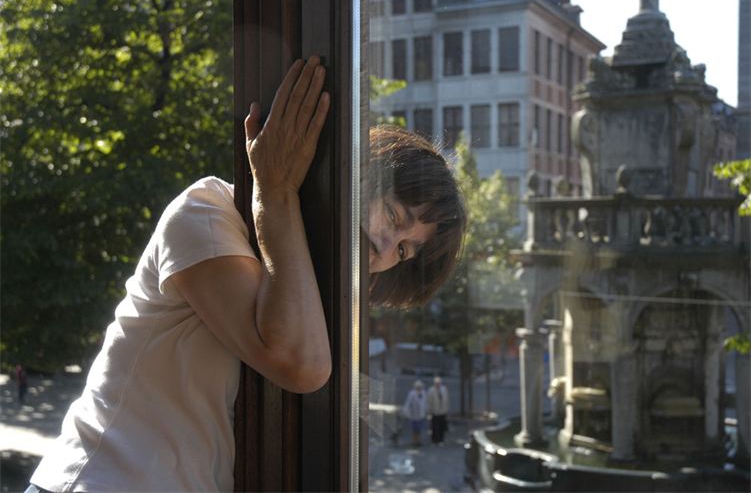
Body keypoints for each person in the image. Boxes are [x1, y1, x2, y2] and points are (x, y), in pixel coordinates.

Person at [27, 57, 466, 492]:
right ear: (355, 177)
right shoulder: (206, 210)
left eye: (405, 249)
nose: (387, 248)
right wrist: (274, 192)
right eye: (393, 214)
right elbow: (301, 365)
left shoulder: (317, 295)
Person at [403, 380, 428, 447]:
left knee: (419, 429)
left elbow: (425, 403)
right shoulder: (412, 393)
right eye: (418, 387)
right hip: (413, 414)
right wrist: (406, 411)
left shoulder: (423, 393)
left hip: (420, 415)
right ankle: (414, 441)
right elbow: (408, 403)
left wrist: (426, 411)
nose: (419, 388)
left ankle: (418, 441)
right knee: (414, 429)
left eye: (420, 387)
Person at [427, 376, 449, 444]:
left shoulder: (444, 389)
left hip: (442, 411)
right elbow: (429, 401)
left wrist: (446, 409)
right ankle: (434, 440)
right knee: (435, 427)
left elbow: (446, 399)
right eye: (436, 383)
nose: (438, 384)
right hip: (435, 412)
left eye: (439, 383)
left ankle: (441, 439)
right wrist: (429, 410)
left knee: (442, 426)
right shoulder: (431, 390)